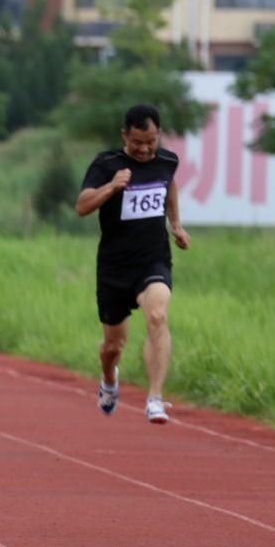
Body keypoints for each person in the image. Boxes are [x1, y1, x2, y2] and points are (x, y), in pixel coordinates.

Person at [75, 103, 191, 424]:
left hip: (152, 259)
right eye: (137, 142)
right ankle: (109, 380)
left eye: (150, 141)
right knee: (113, 345)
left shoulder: (167, 160)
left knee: (157, 314)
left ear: (158, 136)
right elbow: (82, 206)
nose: (144, 149)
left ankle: (155, 397)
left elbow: (169, 186)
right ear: (125, 135)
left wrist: (176, 225)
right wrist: (112, 186)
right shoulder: (107, 163)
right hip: (114, 267)